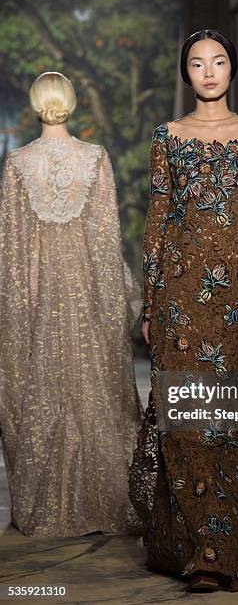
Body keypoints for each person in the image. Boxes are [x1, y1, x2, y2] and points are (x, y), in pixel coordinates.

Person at [129, 30, 238, 592]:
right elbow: (157, 222)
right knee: (188, 423)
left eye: (218, 61)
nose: (208, 71)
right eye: (197, 63)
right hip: (180, 291)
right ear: (185, 73)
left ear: (233, 70)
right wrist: (150, 299)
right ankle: (204, 553)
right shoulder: (167, 137)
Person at [0, 72, 142, 537]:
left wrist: (18, 308)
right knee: (94, 389)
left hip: (37, 298)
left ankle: (45, 507)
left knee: (41, 393)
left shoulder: (18, 163)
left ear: (36, 103)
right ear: (73, 103)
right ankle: (103, 504)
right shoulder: (95, 158)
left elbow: (12, 252)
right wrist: (114, 302)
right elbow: (104, 241)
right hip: (85, 292)